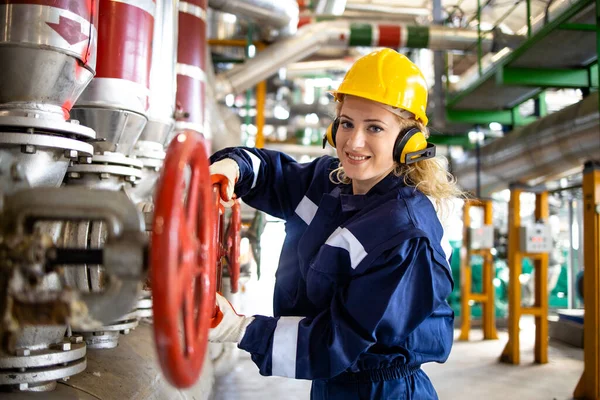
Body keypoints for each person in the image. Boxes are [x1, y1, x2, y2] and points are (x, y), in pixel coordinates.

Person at [208, 48, 461, 400]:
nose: (354, 142)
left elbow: (338, 343)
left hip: (383, 389)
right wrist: (234, 168)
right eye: (347, 123)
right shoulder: (330, 183)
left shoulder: (404, 233)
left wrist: (240, 328)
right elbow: (272, 174)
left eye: (374, 127)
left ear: (408, 142)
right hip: (330, 384)